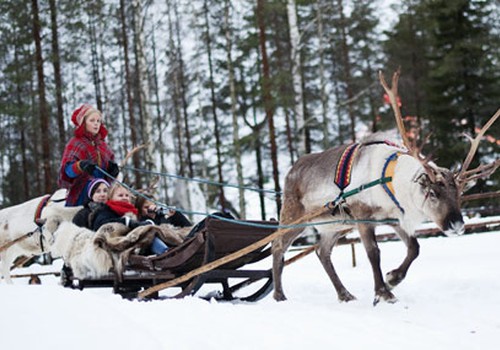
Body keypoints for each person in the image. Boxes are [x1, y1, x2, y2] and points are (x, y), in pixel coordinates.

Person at [58, 104, 119, 206]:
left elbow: (107, 175)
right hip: (82, 193)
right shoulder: (75, 143)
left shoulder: (103, 146)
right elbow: (67, 171)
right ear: (83, 123)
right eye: (92, 120)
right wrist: (80, 166)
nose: (96, 124)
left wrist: (113, 171)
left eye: (98, 121)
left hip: (103, 193)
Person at [90, 183, 170, 255]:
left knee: (153, 232)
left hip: (132, 242)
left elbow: (140, 223)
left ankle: (171, 250)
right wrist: (126, 222)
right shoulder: (106, 210)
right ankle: (165, 253)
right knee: (147, 236)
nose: (124, 198)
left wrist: (151, 219)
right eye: (120, 195)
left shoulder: (132, 211)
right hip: (115, 244)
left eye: (127, 195)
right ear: (111, 197)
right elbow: (100, 225)